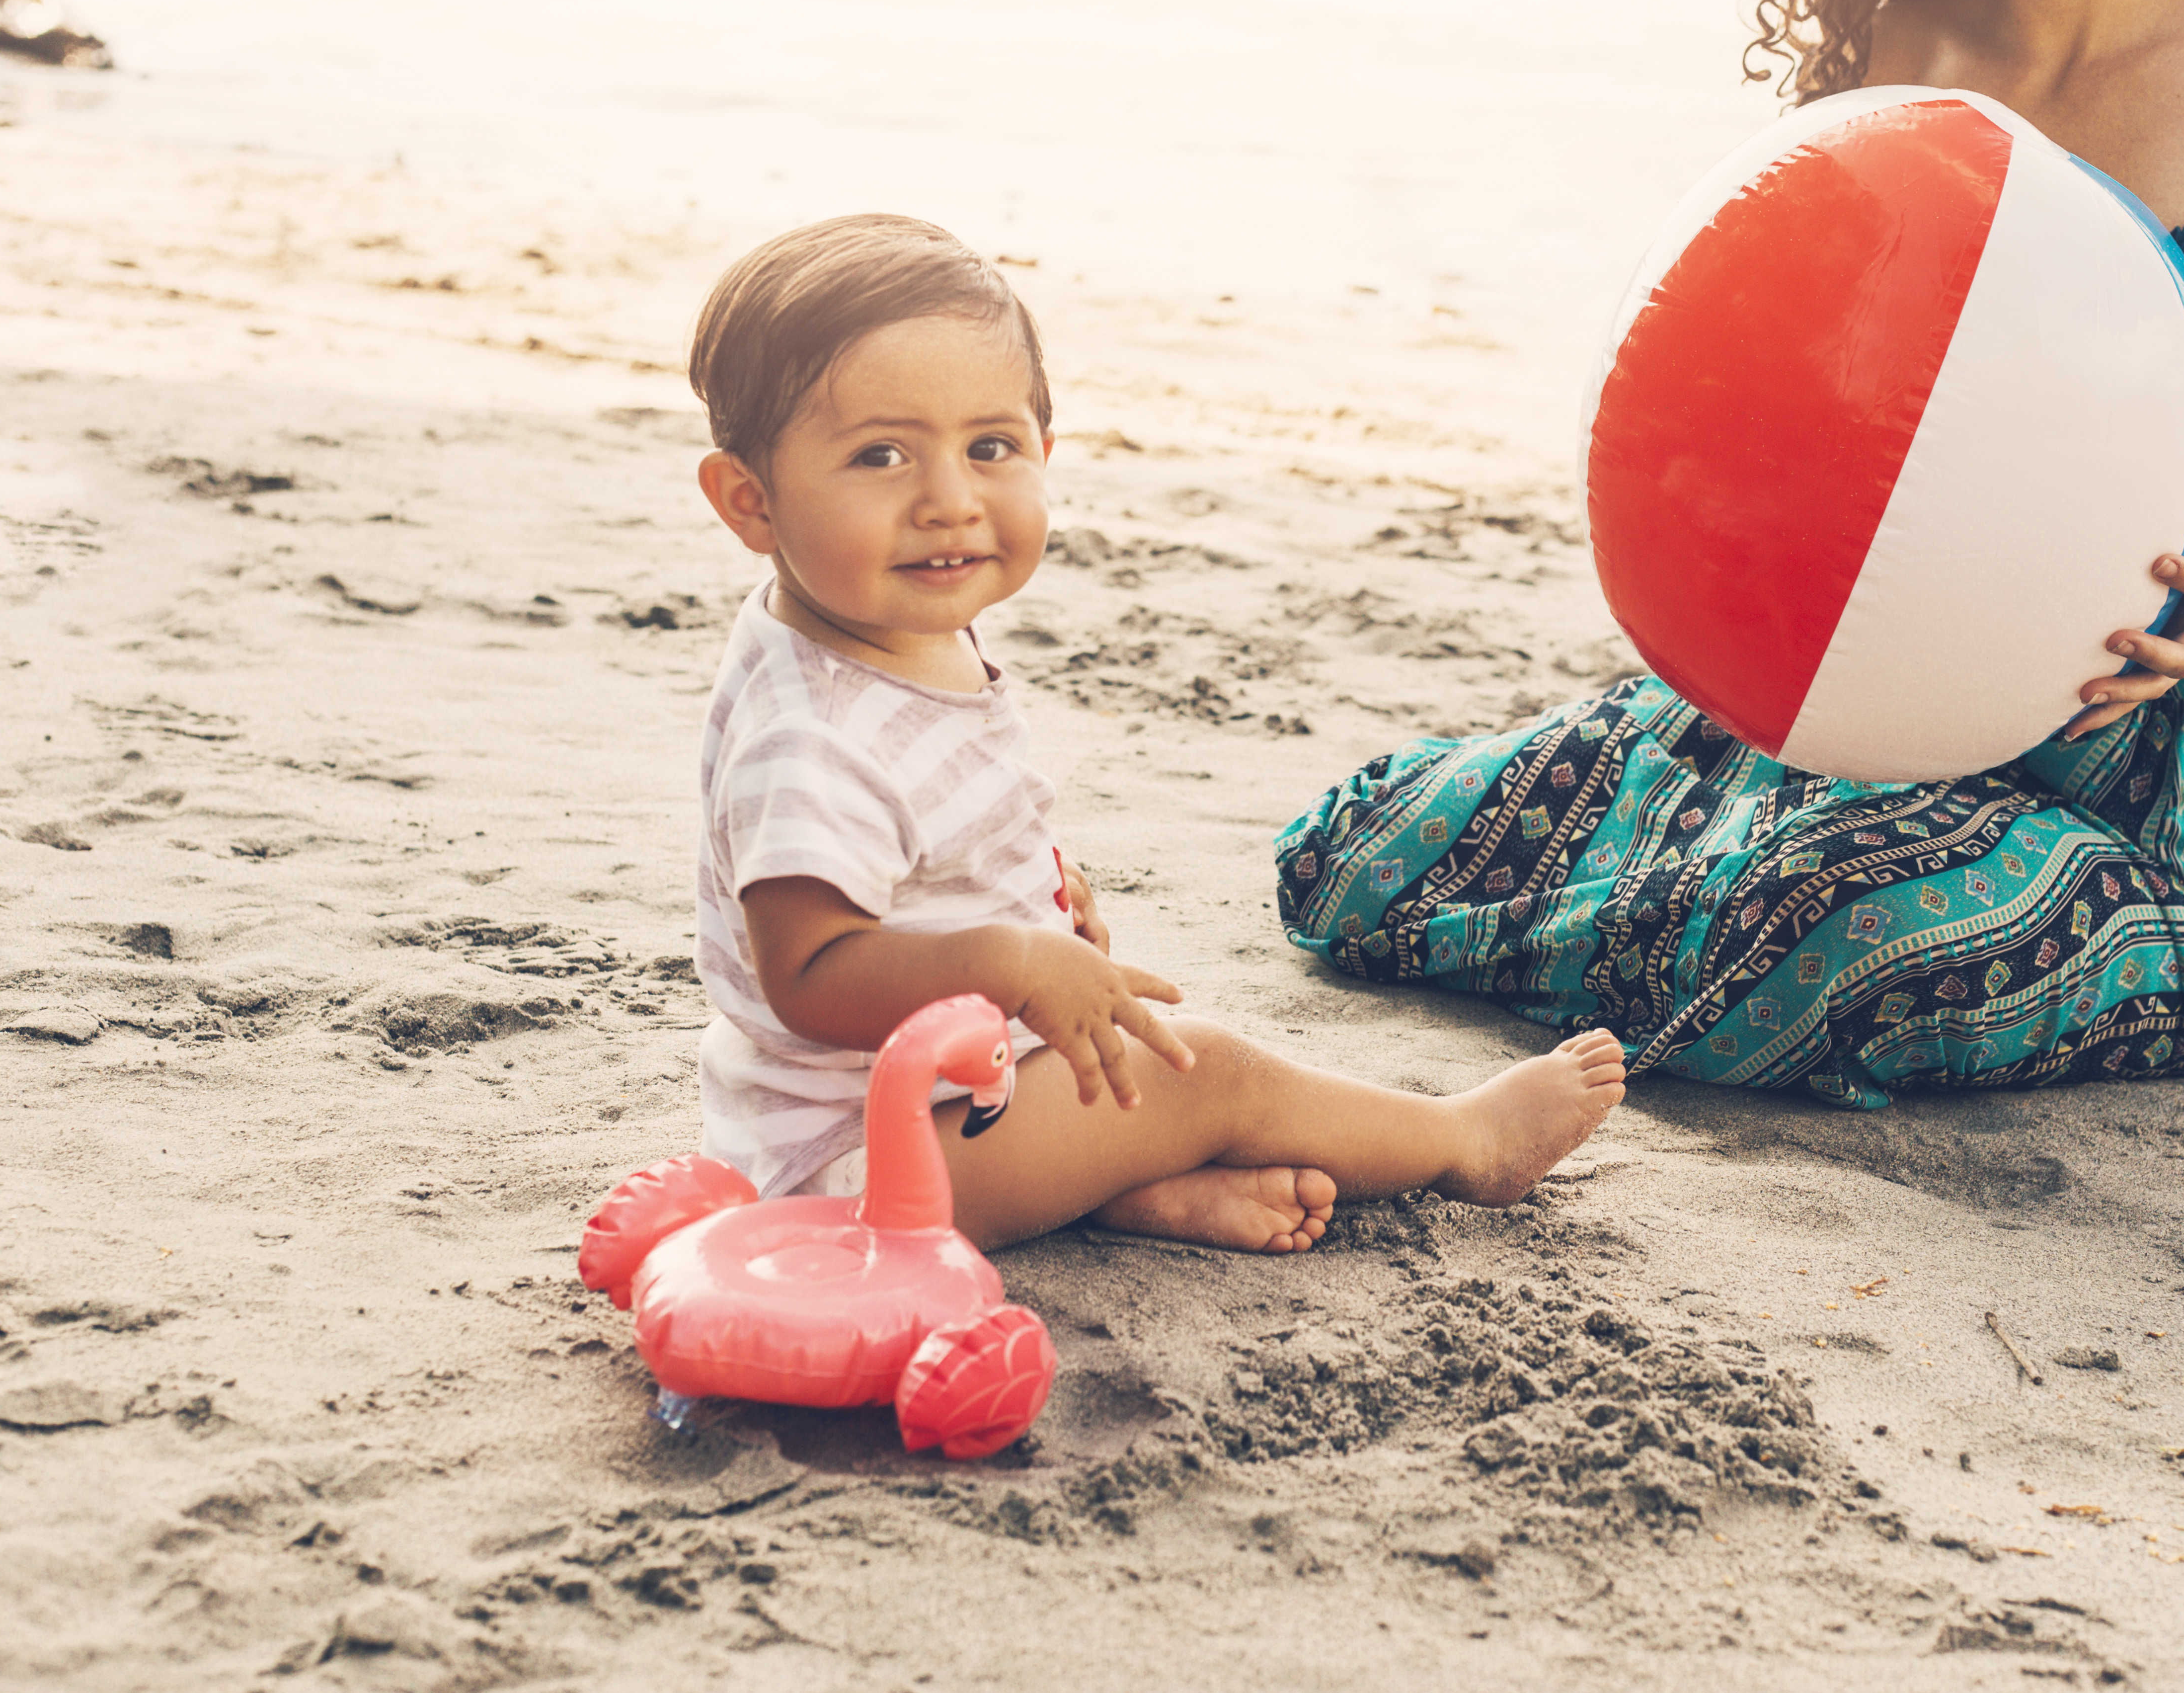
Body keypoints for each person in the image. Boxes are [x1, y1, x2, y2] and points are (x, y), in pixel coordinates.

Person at [1273, 0, 2184, 1107]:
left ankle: (1676, 949)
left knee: (1817, 939)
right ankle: (1670, 944)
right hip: (1847, 713)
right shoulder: (1900, 47)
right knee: (1366, 855)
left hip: (2151, 777)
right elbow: (1791, 397)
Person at [683, 215, 1628, 1252]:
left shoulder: (878, 617)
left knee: (1126, 1081)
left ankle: (1128, 1195)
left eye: (989, 447)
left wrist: (1024, 887)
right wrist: (1010, 957)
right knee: (1203, 1071)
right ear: (751, 503)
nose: (949, 502)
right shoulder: (809, 736)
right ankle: (1464, 1143)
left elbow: (921, 833)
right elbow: (809, 973)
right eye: (880, 456)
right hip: (865, 1161)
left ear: (1044, 451)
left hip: (958, 1088)